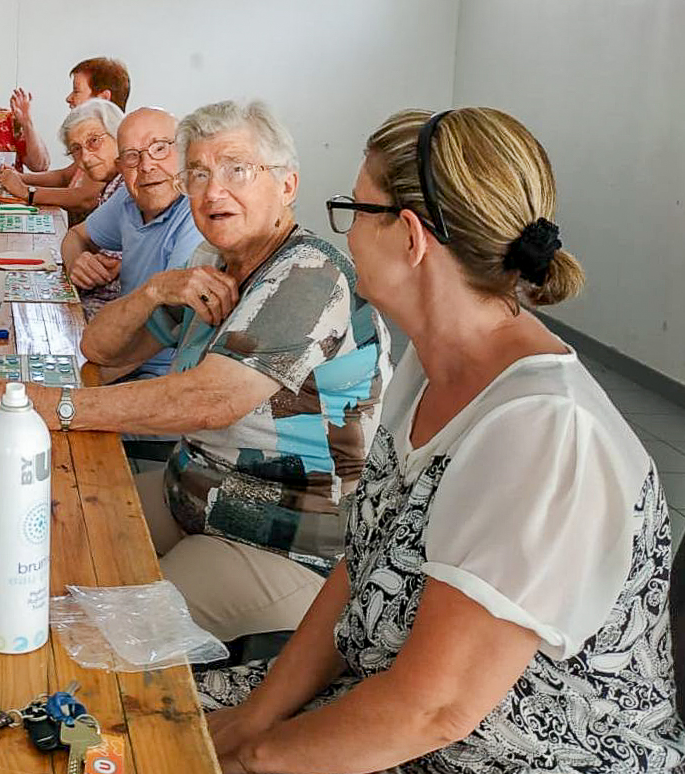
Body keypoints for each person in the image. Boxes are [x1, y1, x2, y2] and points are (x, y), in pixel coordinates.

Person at [198, 106, 685, 774]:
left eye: (355, 208)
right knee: (134, 717)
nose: (346, 231)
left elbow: (435, 710)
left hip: (500, 755)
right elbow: (365, 564)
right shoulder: (431, 366)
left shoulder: (543, 430)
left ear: (409, 236)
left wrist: (250, 757)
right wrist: (257, 716)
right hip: (390, 703)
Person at [0, 101, 391, 645]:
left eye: (237, 170)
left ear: (287, 185)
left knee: (93, 634)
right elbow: (101, 349)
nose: (213, 191)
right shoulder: (216, 260)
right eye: (200, 173)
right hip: (189, 491)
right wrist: (157, 289)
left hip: (276, 539)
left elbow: (210, 399)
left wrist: (46, 404)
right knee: (42, 539)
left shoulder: (307, 273)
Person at [61, 107, 205, 378]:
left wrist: (88, 385)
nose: (146, 165)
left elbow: (161, 331)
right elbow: (75, 237)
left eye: (160, 148)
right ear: (121, 167)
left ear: (186, 153)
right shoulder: (130, 197)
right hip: (113, 349)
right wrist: (77, 262)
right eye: (131, 157)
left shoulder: (195, 213)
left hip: (158, 374)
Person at [0, 57, 129, 216]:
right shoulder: (88, 143)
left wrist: (26, 191)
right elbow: (65, 176)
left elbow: (85, 198)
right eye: (76, 149)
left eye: (76, 91)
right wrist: (22, 178)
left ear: (103, 98)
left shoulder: (114, 140)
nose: (68, 98)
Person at [54, 98, 126, 320]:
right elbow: (74, 235)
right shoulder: (115, 187)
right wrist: (78, 262)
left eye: (94, 141)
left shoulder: (130, 184)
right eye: (76, 149)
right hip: (94, 302)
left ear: (120, 137)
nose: (85, 157)